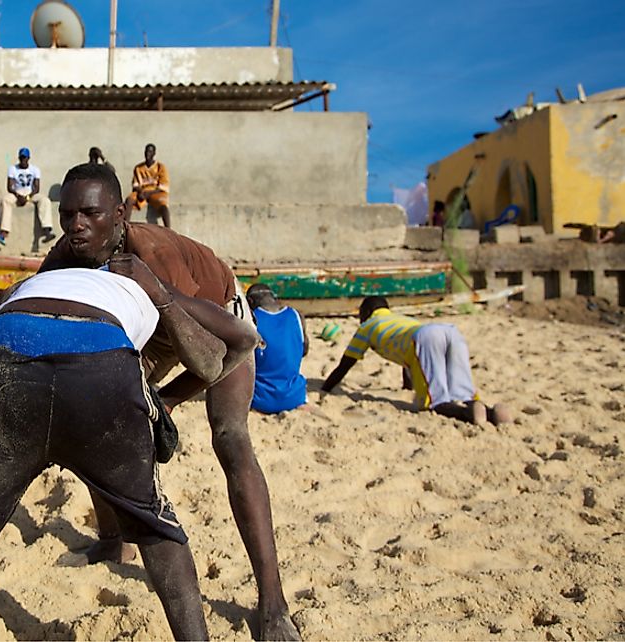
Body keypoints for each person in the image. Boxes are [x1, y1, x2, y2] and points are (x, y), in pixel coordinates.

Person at [0, 255, 235, 641]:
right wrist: (164, 378)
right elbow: (225, 353)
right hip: (101, 370)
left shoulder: (40, 281)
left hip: (5, 356)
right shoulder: (146, 283)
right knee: (155, 525)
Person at [34, 163, 299, 641]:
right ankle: (113, 541)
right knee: (94, 413)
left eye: (89, 213)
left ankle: (274, 604)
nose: (76, 225)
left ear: (118, 215)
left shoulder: (153, 256)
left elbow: (215, 356)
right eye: (67, 214)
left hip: (211, 317)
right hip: (149, 329)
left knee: (232, 441)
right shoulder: (68, 252)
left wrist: (168, 399)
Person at [321, 296, 514, 425]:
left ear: (367, 312)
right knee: (462, 391)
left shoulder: (367, 327)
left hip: (423, 339)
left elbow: (345, 364)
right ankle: (491, 412)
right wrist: (407, 386)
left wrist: (325, 388)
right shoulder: (400, 319)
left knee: (435, 402)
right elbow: (408, 361)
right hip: (448, 332)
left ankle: (467, 415)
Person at [247, 283, 308, 414]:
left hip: (261, 399)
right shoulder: (297, 316)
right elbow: (304, 351)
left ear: (250, 302)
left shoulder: (252, 320)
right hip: (295, 397)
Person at [0, 147, 55, 246]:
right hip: (17, 193)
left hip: (30, 193)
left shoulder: (35, 169)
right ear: (19, 158)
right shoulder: (13, 169)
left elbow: (36, 188)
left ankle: (47, 230)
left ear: (28, 158)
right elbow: (10, 187)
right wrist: (18, 196)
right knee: (4, 200)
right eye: (21, 158)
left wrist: (27, 197)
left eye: (25, 158)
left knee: (45, 200)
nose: (23, 160)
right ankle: (4, 233)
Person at [125, 143, 171, 228]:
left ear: (154, 154)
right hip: (142, 192)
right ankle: (124, 227)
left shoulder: (160, 167)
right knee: (129, 200)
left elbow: (163, 186)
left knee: (164, 207)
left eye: (150, 152)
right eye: (146, 151)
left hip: (155, 192)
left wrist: (149, 194)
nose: (147, 154)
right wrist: (140, 192)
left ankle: (169, 230)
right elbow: (135, 185)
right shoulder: (138, 168)